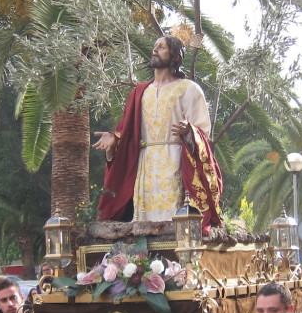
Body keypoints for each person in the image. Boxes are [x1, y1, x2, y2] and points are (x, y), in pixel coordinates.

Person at [93, 35, 223, 231]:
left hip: (175, 159)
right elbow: (127, 131)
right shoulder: (140, 92)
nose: (155, 50)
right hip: (145, 162)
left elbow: (202, 132)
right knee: (144, 215)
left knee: (173, 213)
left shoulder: (189, 89)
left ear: (175, 56)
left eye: (161, 47)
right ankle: (143, 259)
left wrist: (189, 131)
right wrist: (114, 138)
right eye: (155, 46)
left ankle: (177, 258)